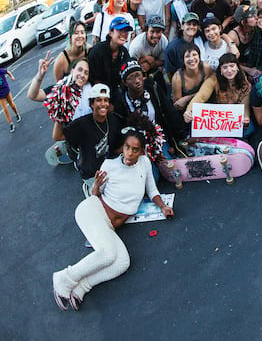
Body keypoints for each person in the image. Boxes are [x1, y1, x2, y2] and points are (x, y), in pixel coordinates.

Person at [51, 125, 173, 311]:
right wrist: (97, 186)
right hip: (93, 210)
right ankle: (64, 278)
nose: (130, 153)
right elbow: (95, 194)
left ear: (141, 151)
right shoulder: (110, 164)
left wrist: (163, 207)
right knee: (108, 254)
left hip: (109, 225)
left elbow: (152, 189)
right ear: (122, 146)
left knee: (122, 263)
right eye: (127, 147)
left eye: (135, 149)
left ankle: (82, 287)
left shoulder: (145, 163)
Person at [63, 84, 124, 181]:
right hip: (91, 174)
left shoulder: (114, 120)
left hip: (111, 169)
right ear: (92, 104)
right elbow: (58, 136)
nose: (103, 104)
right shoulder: (81, 124)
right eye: (99, 100)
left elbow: (115, 149)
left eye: (106, 100)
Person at [184, 53, 253, 139]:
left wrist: (245, 118)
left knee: (249, 129)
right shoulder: (213, 80)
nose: (229, 70)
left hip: (233, 120)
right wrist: (189, 111)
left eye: (232, 66)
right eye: (225, 67)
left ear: (237, 68)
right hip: (216, 119)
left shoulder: (244, 83)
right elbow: (201, 96)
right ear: (220, 70)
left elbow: (245, 107)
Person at [87, 17, 133, 98]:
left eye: (126, 31)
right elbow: (93, 80)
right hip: (97, 95)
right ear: (111, 32)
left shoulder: (124, 52)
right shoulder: (97, 51)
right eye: (120, 30)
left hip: (116, 93)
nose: (124, 33)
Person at [171, 43, 211, 113]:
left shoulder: (206, 68)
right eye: (187, 56)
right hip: (186, 111)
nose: (191, 59)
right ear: (183, 60)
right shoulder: (177, 78)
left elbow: (209, 90)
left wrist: (187, 98)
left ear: (199, 56)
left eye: (194, 55)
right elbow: (178, 105)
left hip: (204, 105)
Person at [128, 16, 168, 81]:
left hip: (156, 70)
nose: (155, 35)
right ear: (146, 31)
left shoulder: (164, 41)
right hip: (137, 73)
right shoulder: (136, 45)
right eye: (152, 31)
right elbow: (130, 65)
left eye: (158, 32)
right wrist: (145, 59)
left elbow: (164, 61)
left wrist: (152, 63)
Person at [164, 12, 202, 79]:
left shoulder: (200, 42)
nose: (191, 27)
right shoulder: (172, 47)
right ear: (182, 26)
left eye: (194, 24)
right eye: (188, 24)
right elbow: (169, 72)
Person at [0, 65, 20, 133]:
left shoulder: (1, 71)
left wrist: (12, 76)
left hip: (6, 90)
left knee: (12, 105)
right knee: (5, 109)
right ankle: (11, 124)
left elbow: (7, 71)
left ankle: (17, 114)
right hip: (0, 95)